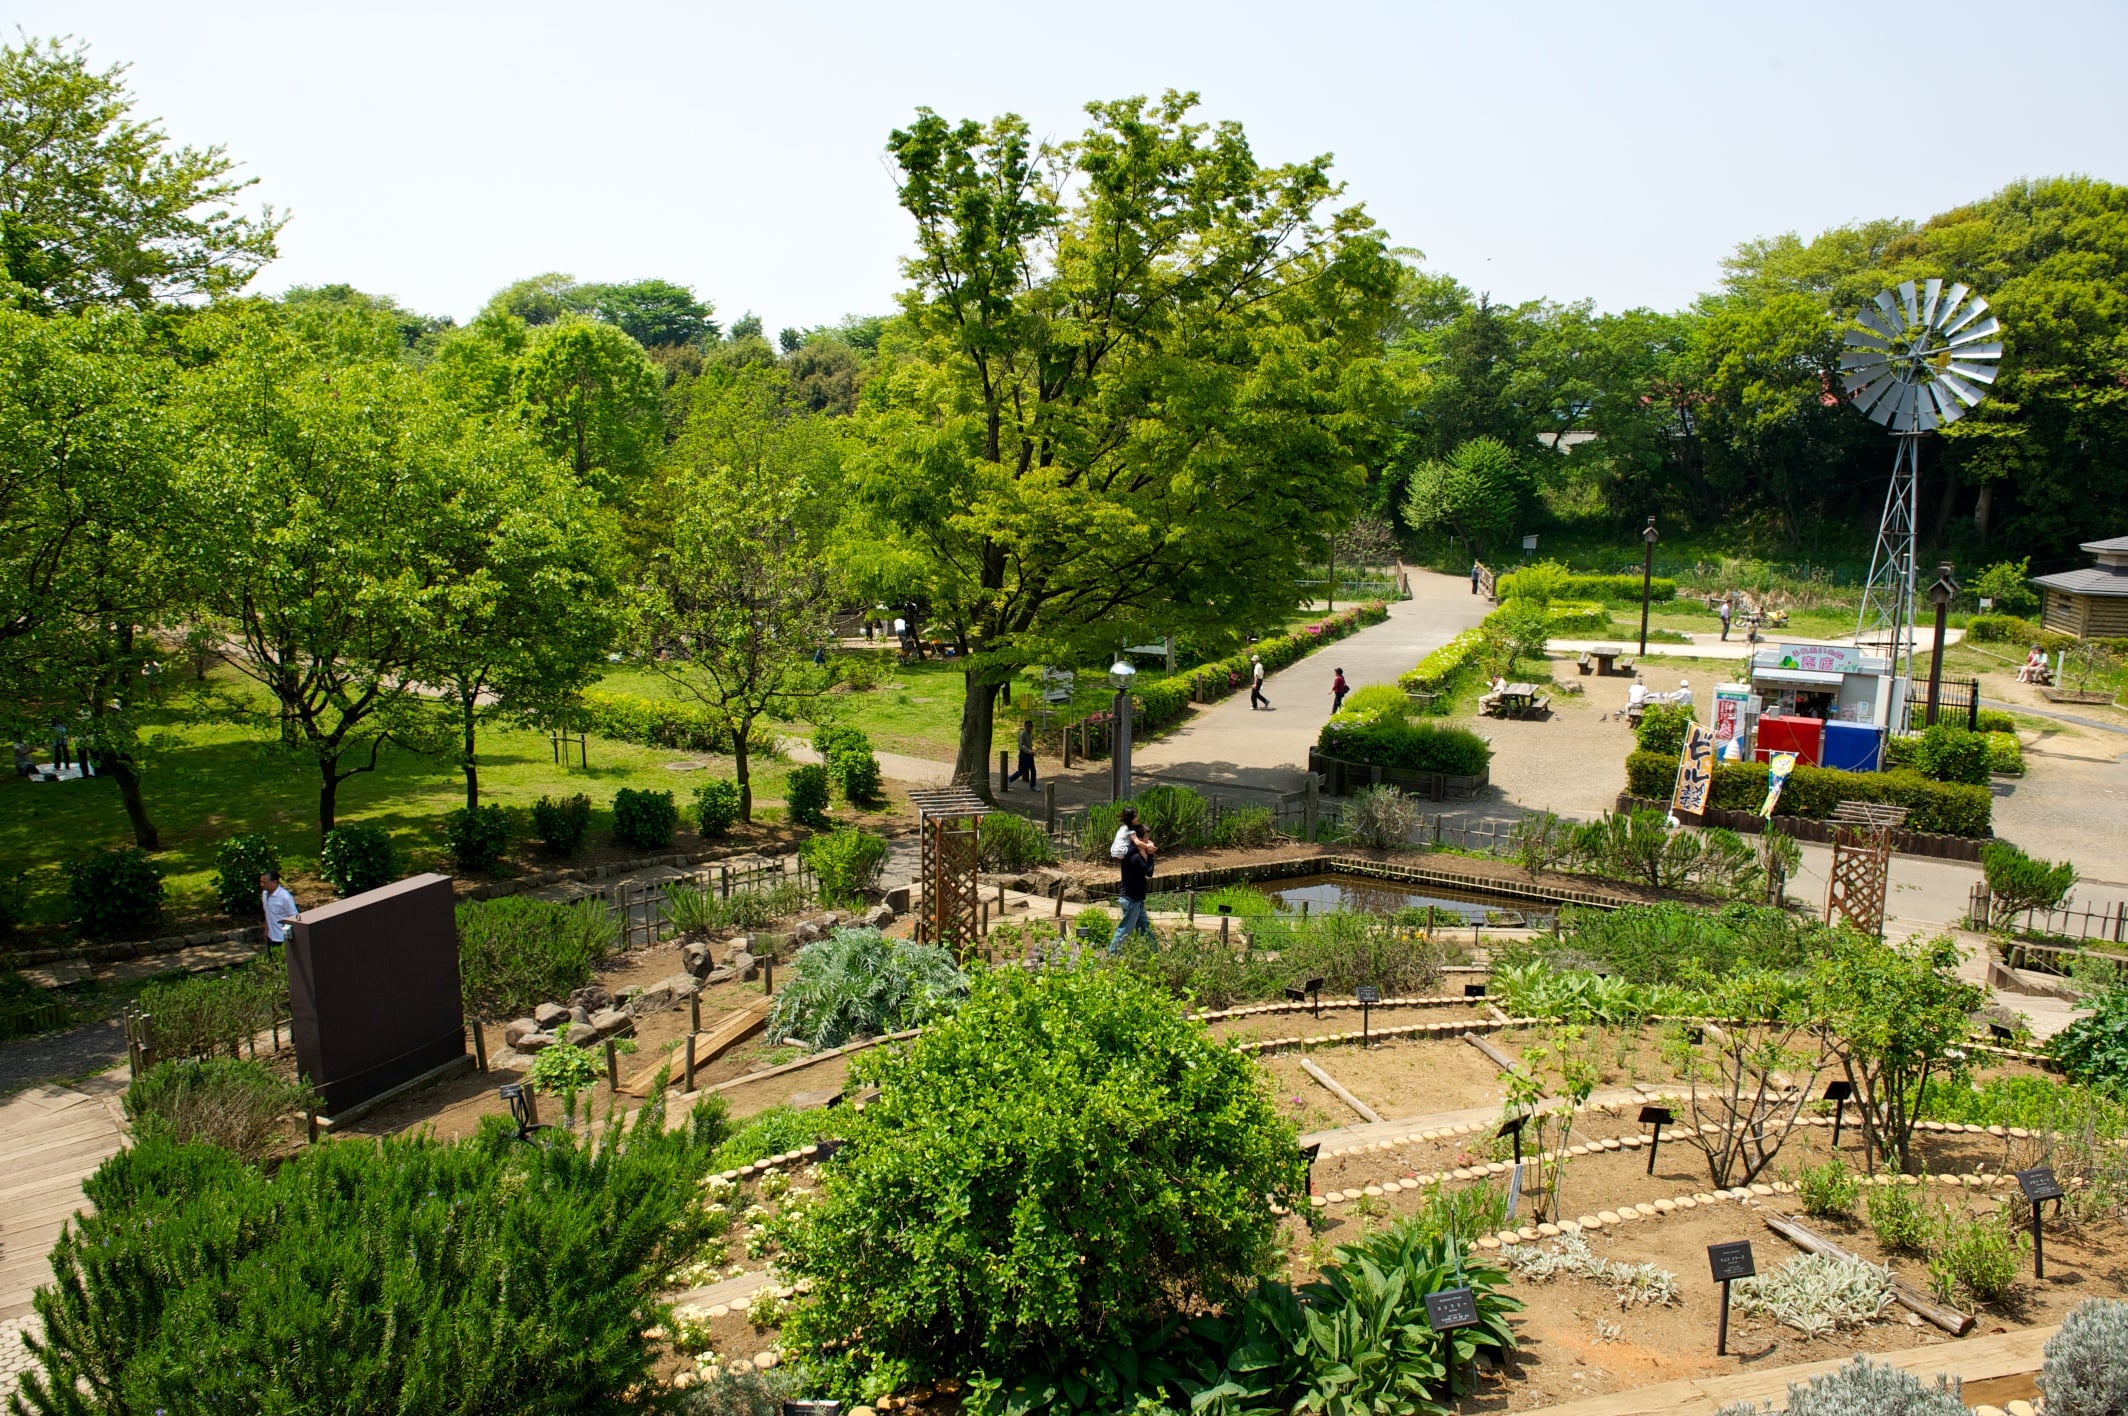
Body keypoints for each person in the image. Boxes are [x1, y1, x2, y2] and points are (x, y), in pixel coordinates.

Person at [1109, 820, 1156, 951]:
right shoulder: (1134, 856)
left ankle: (1155, 954)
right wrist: (1150, 854)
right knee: (1124, 931)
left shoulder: (1135, 852)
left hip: (1137, 900)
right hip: (1131, 899)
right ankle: (1112, 955)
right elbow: (1149, 872)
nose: (1148, 840)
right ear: (1139, 838)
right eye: (1146, 837)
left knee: (1145, 929)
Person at [261, 869, 299, 948]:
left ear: (274, 882)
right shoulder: (265, 894)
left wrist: (289, 937)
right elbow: (267, 912)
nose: (262, 884)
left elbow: (294, 917)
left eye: (265, 882)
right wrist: (266, 929)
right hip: (271, 937)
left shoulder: (285, 897)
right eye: (261, 882)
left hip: (282, 939)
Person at [1007, 719, 1037, 788]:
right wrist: (1029, 751)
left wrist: (1031, 752)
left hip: (1030, 755)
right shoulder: (1022, 734)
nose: (1030, 727)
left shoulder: (1030, 734)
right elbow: (1021, 746)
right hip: (1024, 755)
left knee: (1033, 770)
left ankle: (1033, 785)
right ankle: (1009, 779)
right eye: (1029, 726)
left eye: (1031, 726)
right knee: (1021, 771)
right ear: (1025, 726)